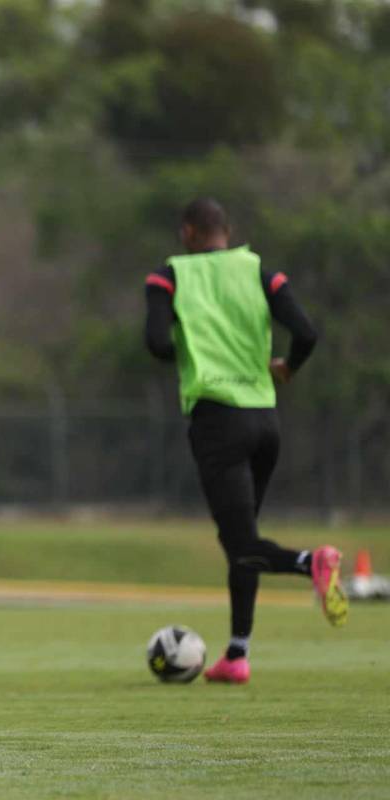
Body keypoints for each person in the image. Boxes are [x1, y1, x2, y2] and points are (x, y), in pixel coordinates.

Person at [144, 197, 347, 684]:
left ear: (188, 232)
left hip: (218, 422)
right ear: (227, 231)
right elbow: (307, 333)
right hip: (265, 422)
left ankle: (310, 562)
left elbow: (155, 344)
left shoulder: (170, 276)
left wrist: (196, 347)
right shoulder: (261, 272)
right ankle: (237, 653)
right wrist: (287, 368)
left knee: (240, 544)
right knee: (247, 538)